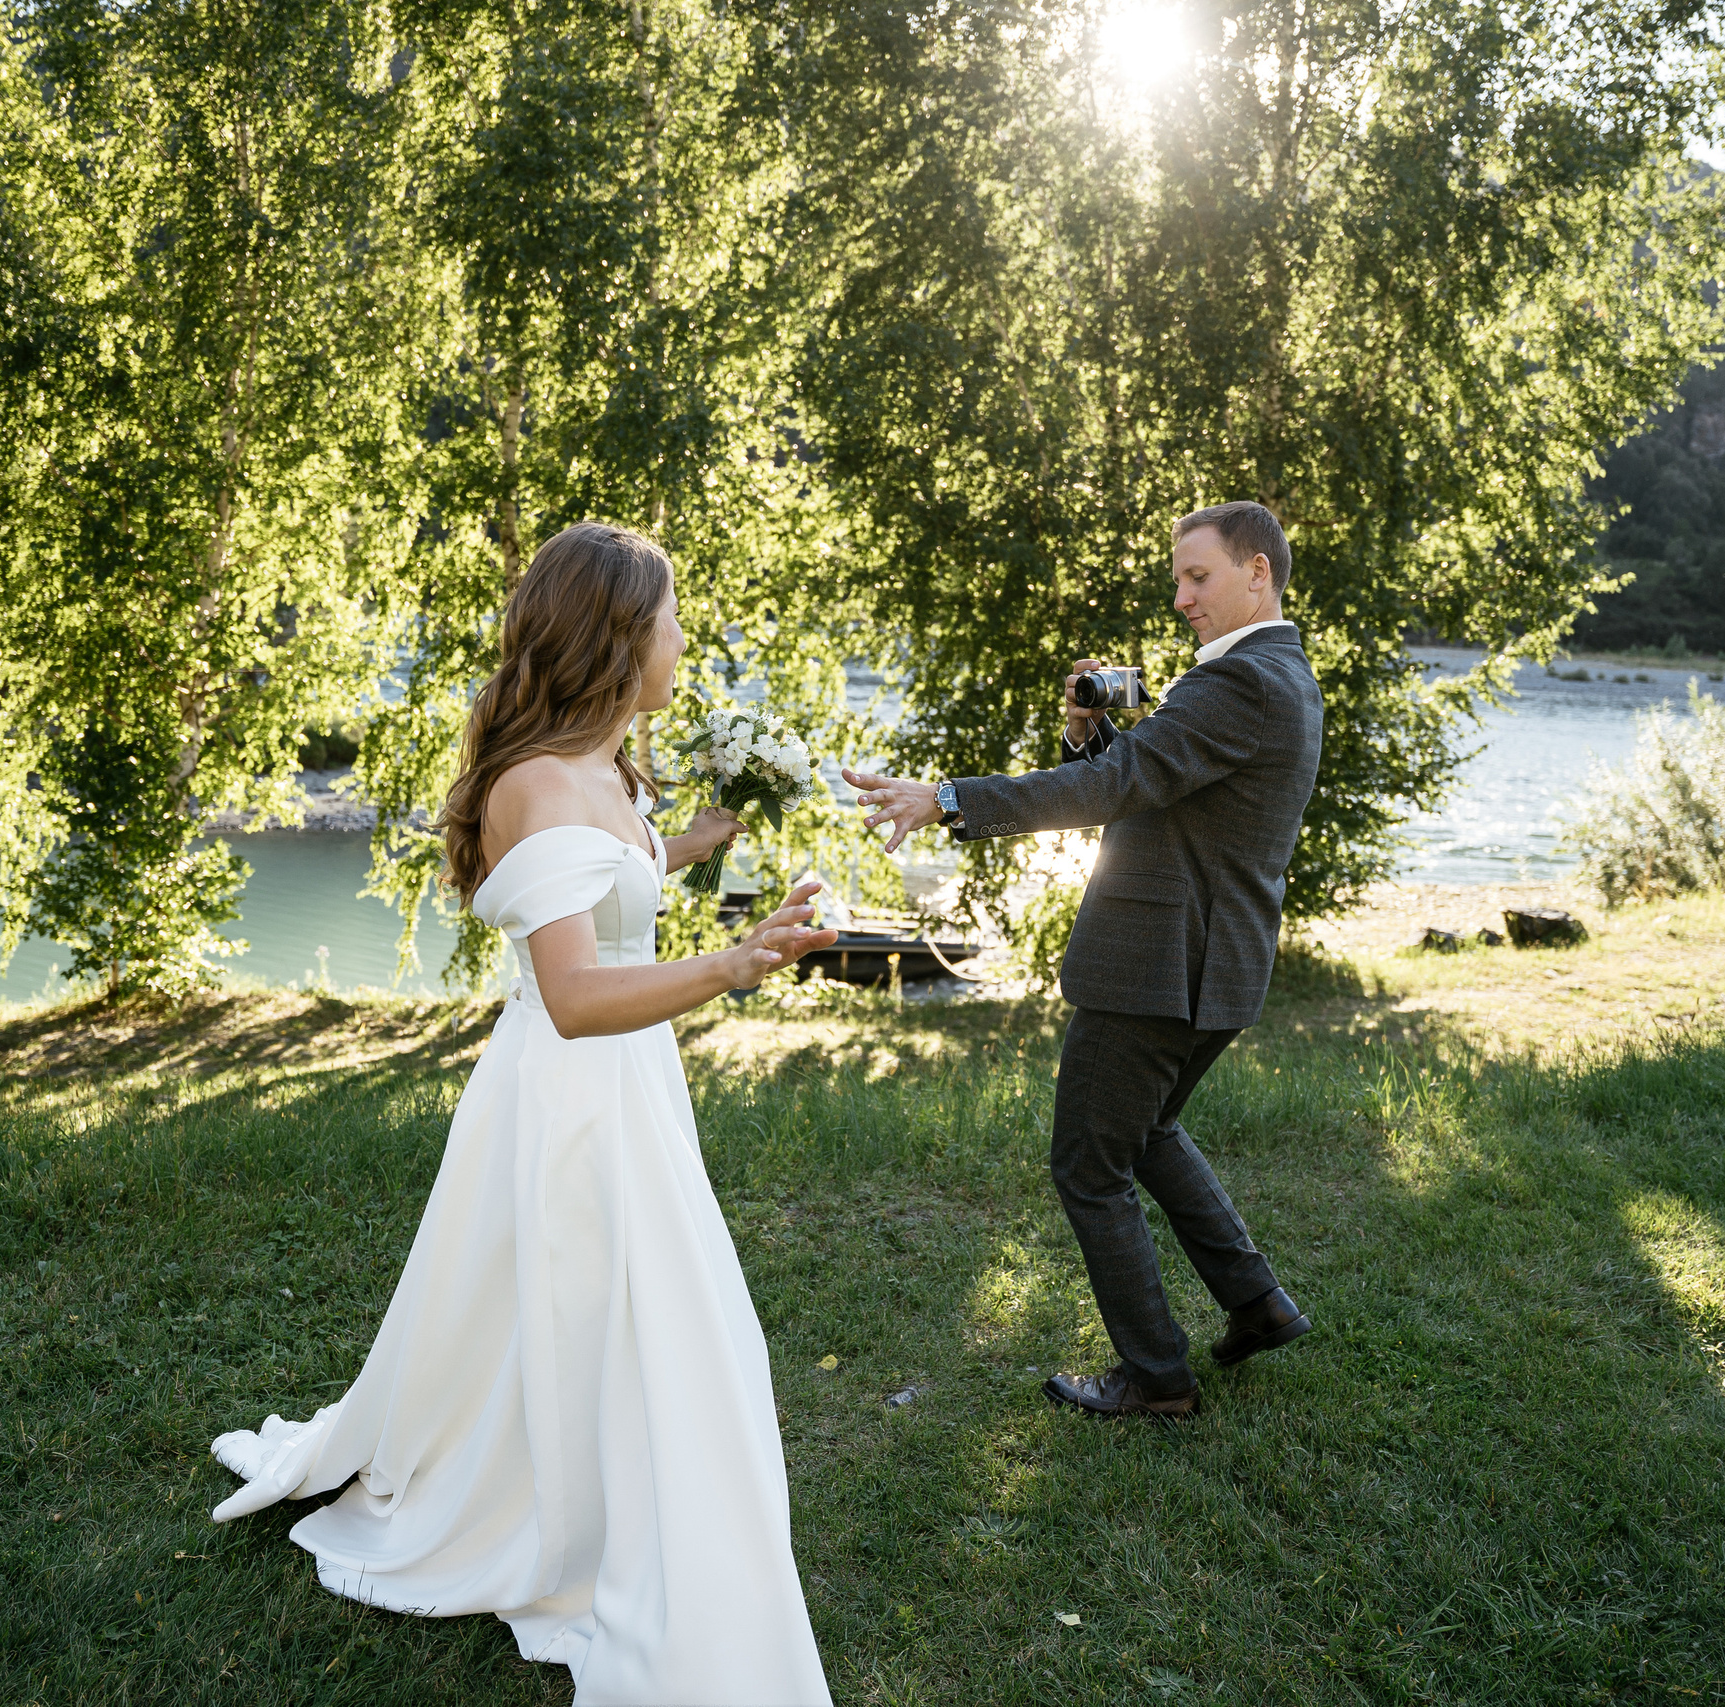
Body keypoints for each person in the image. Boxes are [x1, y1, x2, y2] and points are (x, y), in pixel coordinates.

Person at [209, 521, 839, 1705]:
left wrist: (700, 852)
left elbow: (613, 893)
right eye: (670, 618)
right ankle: (551, 1516)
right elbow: (573, 993)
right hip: (575, 1099)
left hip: (625, 1088)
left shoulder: (599, 761)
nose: (684, 638)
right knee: (626, 1315)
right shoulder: (542, 784)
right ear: (616, 636)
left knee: (587, 1316)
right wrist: (735, 967)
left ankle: (568, 1478)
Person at [844, 500, 1323, 1420]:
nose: (1180, 595)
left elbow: (1115, 788)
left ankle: (1157, 1378)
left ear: (1257, 571)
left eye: (1200, 575)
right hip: (1211, 965)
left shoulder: (1239, 683)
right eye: (1178, 576)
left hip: (1160, 966)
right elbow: (1154, 787)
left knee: (1089, 1163)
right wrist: (1086, 731)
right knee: (1144, 1135)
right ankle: (1259, 1304)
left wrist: (945, 796)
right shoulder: (1278, 674)